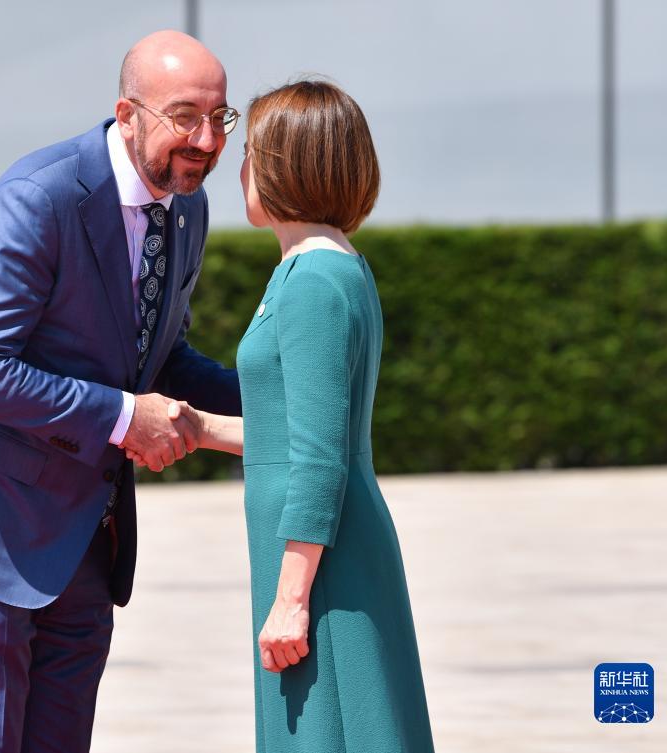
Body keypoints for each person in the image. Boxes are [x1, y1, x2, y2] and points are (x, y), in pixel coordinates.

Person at [0, 31, 241, 753]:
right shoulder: (37, 197)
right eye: (184, 116)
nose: (205, 140)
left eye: (218, 118)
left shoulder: (185, 208)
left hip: (83, 542)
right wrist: (125, 418)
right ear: (127, 114)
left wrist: (277, 397)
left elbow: (156, 357)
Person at [134, 80, 436, 751]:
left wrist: (291, 598)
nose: (239, 167)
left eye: (251, 152)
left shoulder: (312, 283)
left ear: (287, 166)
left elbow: (320, 459)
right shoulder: (325, 269)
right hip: (323, 551)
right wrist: (197, 427)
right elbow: (300, 433)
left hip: (322, 565)